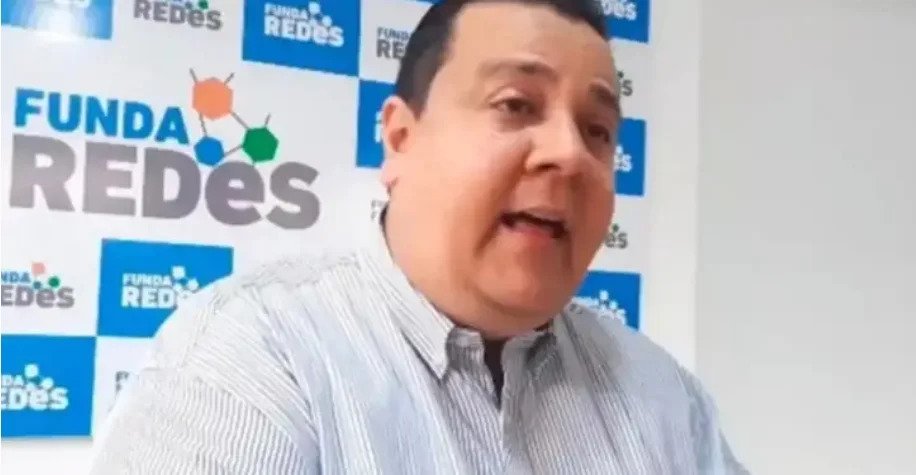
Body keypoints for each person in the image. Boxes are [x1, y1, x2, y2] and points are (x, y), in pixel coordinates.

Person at [89, 0, 748, 473]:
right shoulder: (253, 360)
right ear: (401, 138)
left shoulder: (663, 395)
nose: (569, 154)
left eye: (597, 131)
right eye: (515, 105)